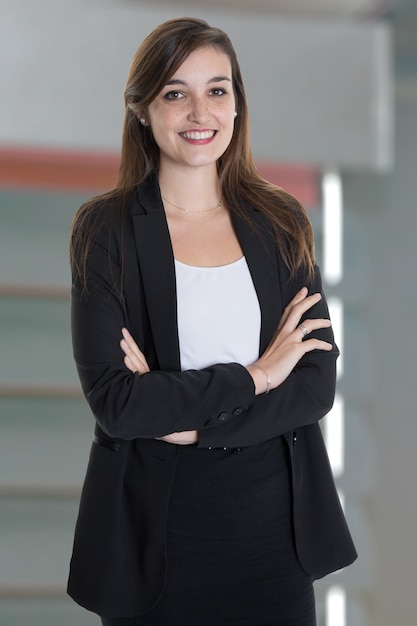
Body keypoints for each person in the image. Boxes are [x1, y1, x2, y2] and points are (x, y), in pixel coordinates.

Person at [67, 16, 357, 626]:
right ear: (143, 110)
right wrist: (257, 375)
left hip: (275, 540)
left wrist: (194, 424)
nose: (201, 111)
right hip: (157, 542)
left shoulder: (281, 223)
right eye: (176, 92)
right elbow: (120, 403)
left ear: (237, 104)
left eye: (218, 90)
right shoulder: (107, 231)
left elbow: (313, 385)